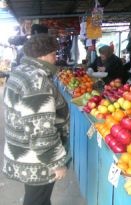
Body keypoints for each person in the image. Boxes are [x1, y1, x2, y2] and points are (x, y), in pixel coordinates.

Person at [2, 34, 70, 205]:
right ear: (44, 55)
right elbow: (41, 130)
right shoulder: (36, 81)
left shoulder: (20, 72)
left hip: (23, 149)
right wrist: (56, 163)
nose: (56, 59)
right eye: (54, 54)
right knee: (37, 200)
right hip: (36, 158)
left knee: (38, 198)